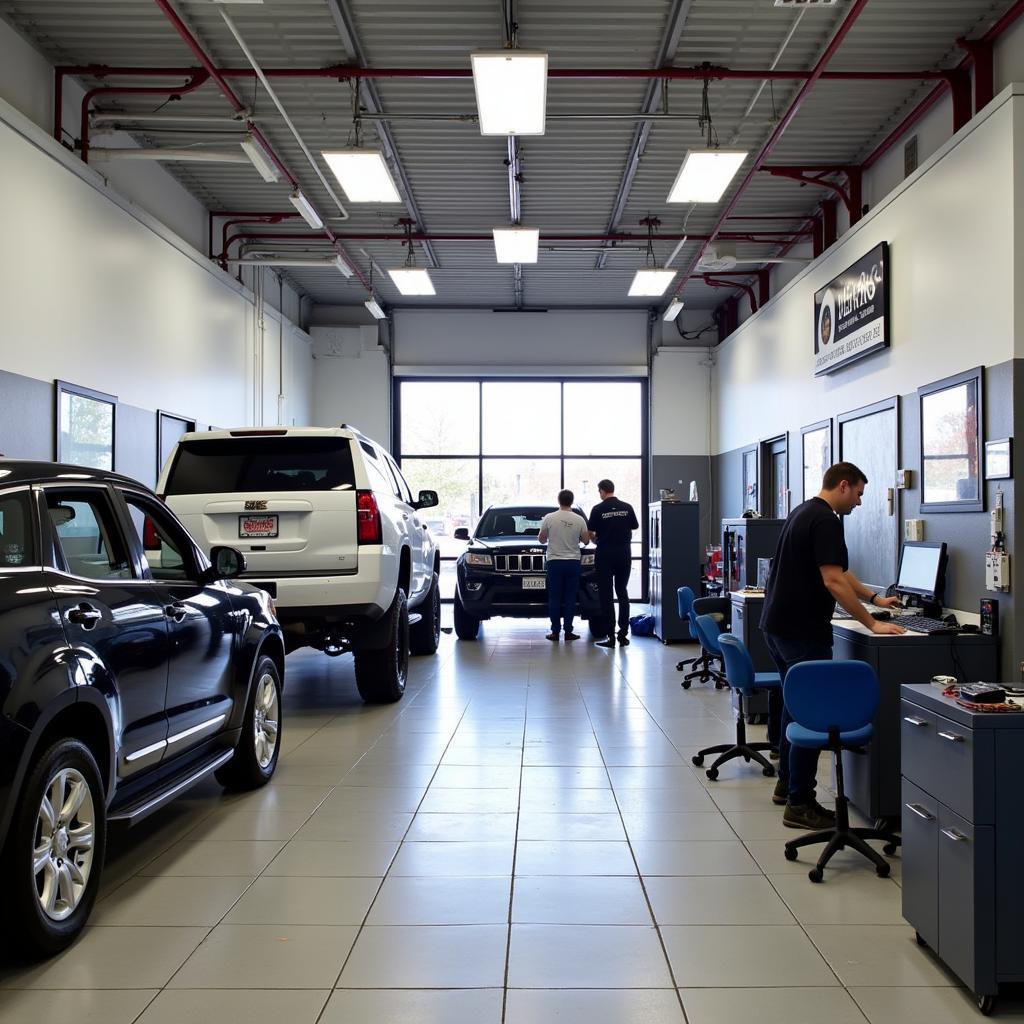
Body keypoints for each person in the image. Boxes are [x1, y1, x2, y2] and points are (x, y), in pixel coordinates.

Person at [761, 461, 906, 830]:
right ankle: (800, 802)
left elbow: (839, 571)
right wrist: (872, 623)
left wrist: (875, 598)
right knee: (811, 713)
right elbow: (833, 582)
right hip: (800, 631)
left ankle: (787, 786)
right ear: (843, 485)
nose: (858, 502)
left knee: (796, 708)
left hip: (778, 627)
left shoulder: (804, 511)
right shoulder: (826, 520)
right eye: (858, 493)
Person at [587, 479, 639, 648]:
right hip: (624, 554)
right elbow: (634, 526)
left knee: (606, 595)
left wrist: (598, 538)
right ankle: (623, 635)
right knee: (622, 592)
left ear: (602, 491)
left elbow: (591, 533)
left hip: (605, 555)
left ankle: (610, 636)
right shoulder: (627, 507)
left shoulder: (597, 509)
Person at [538, 490, 591, 641]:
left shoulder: (549, 518)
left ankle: (555, 632)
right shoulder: (579, 519)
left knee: (554, 598)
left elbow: (541, 540)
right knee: (570, 598)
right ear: (572, 501)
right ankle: (568, 632)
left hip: (554, 562)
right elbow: (586, 541)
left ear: (558, 500)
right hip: (573, 562)